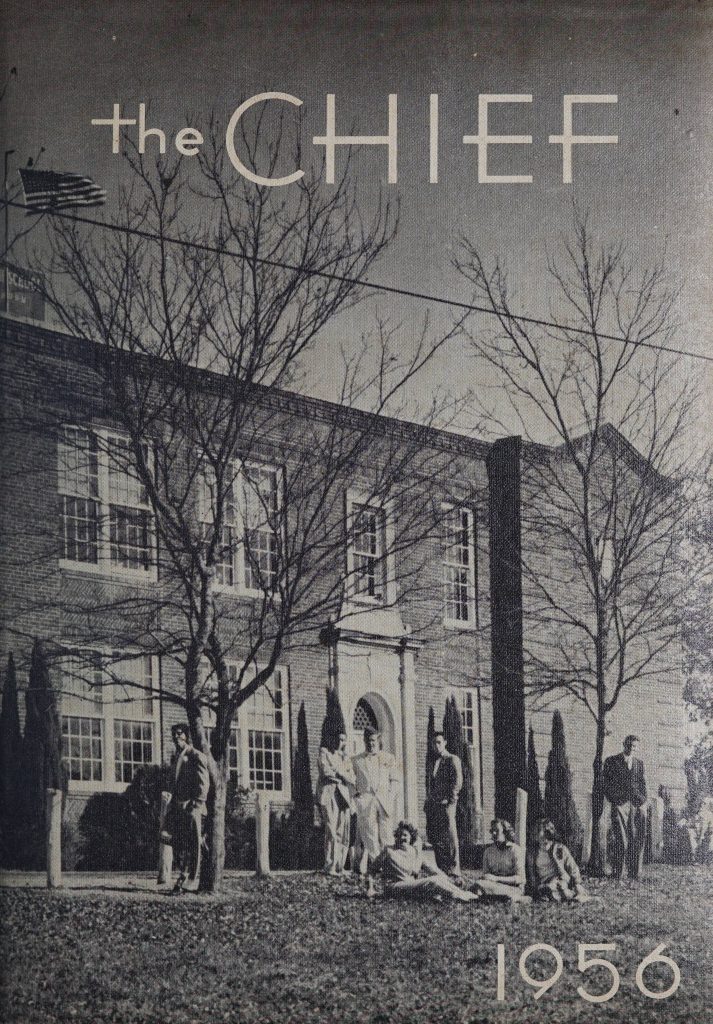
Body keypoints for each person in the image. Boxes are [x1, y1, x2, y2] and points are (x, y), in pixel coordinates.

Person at [367, 821, 477, 902]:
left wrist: (448, 879)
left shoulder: (414, 852)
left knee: (438, 878)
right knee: (432, 881)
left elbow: (432, 869)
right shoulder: (389, 850)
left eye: (405, 835)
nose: (401, 838)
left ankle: (462, 893)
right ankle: (461, 896)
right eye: (399, 835)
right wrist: (370, 888)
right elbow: (371, 870)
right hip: (394, 887)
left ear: (411, 837)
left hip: (410, 887)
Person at [164, 723, 210, 894]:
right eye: (174, 735)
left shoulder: (196, 756)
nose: (176, 738)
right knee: (178, 844)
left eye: (180, 734)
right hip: (178, 808)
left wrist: (196, 806)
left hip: (193, 809)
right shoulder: (177, 757)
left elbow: (203, 784)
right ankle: (181, 877)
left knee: (194, 846)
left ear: (187, 736)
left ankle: (191, 880)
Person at [352, 726, 399, 877]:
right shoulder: (356, 760)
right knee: (370, 835)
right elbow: (349, 782)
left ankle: (389, 866)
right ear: (363, 741)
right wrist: (357, 797)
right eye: (367, 740)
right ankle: (376, 867)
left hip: (384, 800)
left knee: (386, 834)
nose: (370, 743)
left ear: (378, 740)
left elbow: (395, 780)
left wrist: (390, 798)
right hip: (366, 802)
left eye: (373, 740)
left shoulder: (388, 758)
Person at [602, 734, 647, 880]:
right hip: (619, 804)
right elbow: (606, 784)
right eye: (629, 745)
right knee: (621, 838)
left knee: (636, 838)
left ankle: (635, 873)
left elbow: (642, 785)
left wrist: (643, 802)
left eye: (634, 746)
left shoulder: (639, 764)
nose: (631, 749)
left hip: (635, 804)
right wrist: (614, 799)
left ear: (637, 748)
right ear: (623, 744)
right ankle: (618, 872)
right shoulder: (611, 761)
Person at [424, 731, 463, 880]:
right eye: (434, 743)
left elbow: (457, 782)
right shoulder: (433, 762)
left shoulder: (452, 759)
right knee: (436, 837)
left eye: (439, 742)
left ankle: (454, 869)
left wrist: (451, 800)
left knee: (449, 835)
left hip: (446, 804)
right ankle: (442, 868)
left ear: (445, 743)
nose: (436, 745)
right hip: (434, 805)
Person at [528, 818, 594, 902]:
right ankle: (563, 895)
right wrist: (535, 886)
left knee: (559, 887)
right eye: (541, 837)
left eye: (547, 837)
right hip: (543, 882)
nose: (544, 840)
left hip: (560, 879)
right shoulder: (532, 852)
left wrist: (577, 883)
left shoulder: (560, 848)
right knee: (550, 890)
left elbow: (572, 867)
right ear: (536, 837)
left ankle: (572, 895)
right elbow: (531, 874)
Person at [317, 731, 355, 876]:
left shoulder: (345, 757)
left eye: (343, 740)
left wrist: (339, 773)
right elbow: (325, 772)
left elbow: (351, 777)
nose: (340, 742)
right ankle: (329, 865)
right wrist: (340, 774)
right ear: (332, 738)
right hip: (329, 794)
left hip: (343, 796)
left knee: (342, 831)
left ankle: (340, 866)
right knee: (331, 830)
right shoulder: (324, 753)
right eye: (338, 739)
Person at [470, 819, 528, 902]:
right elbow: (486, 874)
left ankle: (514, 898)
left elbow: (521, 879)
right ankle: (502, 898)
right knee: (477, 887)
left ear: (506, 832)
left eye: (497, 830)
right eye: (492, 831)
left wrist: (496, 878)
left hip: (514, 887)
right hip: (493, 886)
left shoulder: (515, 850)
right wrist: (485, 877)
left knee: (479, 889)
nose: (493, 833)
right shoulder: (488, 852)